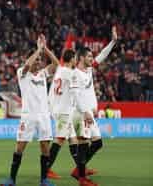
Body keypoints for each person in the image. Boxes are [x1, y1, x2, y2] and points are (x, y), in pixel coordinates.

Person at [7, 35, 58, 186]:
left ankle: (44, 179)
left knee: (45, 148)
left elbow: (56, 64)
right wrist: (38, 50)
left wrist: (45, 49)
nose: (38, 62)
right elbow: (28, 64)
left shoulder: (42, 74)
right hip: (28, 116)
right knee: (20, 147)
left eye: (39, 60)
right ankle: (11, 179)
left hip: (44, 116)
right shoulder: (22, 73)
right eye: (36, 59)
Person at [71, 26, 118, 185]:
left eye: (92, 56)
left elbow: (102, 55)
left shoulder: (89, 70)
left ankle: (78, 170)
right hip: (81, 113)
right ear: (82, 57)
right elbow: (76, 95)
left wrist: (113, 42)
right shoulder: (75, 74)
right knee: (83, 144)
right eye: (89, 57)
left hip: (89, 114)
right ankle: (82, 179)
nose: (92, 59)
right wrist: (85, 112)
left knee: (97, 143)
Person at [46, 49, 80, 179]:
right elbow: (76, 91)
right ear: (71, 59)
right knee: (60, 139)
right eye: (75, 58)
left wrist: (46, 49)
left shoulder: (60, 70)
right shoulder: (70, 73)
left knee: (72, 139)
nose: (76, 60)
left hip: (58, 108)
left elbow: (55, 59)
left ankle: (80, 168)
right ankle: (47, 168)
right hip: (63, 111)